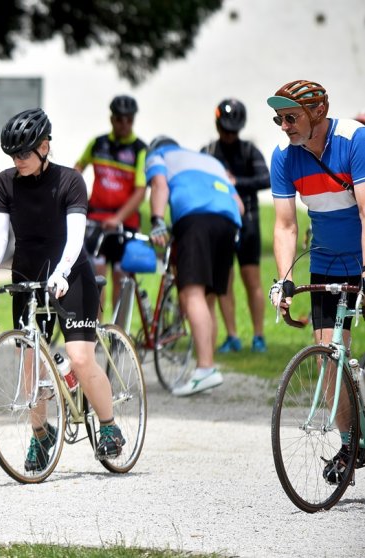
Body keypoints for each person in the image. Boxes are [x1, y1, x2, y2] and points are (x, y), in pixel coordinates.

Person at [0, 108, 125, 469]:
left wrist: (62, 272)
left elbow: (75, 237)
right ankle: (41, 437)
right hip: (27, 274)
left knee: (81, 357)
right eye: (12, 154)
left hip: (71, 274)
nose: (17, 161)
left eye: (24, 153)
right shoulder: (5, 182)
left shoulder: (70, 181)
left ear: (44, 147)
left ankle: (108, 427)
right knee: (29, 363)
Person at [267, 79, 365, 483]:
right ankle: (351, 444)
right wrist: (284, 280)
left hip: (361, 255)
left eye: (291, 117)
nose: (284, 125)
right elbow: (286, 226)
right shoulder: (283, 157)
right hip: (326, 261)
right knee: (329, 356)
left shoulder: (354, 140)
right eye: (279, 118)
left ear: (317, 114)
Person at [145, 136, 243, 397]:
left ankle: (205, 369)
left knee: (191, 293)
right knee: (208, 298)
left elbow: (159, 184)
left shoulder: (158, 156)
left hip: (195, 219)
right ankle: (206, 368)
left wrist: (156, 221)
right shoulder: (211, 162)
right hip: (230, 222)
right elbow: (241, 206)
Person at [201, 98, 271, 354]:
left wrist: (235, 181)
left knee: (252, 280)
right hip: (220, 225)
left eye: (233, 131)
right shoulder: (207, 152)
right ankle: (232, 336)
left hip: (248, 223)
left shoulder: (249, 150)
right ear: (218, 125)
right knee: (224, 282)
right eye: (225, 130)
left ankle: (259, 336)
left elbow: (266, 179)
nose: (229, 135)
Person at [74, 94, 148, 315]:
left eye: (129, 120)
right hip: (96, 220)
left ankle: (117, 332)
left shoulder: (139, 149)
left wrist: (118, 218)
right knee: (96, 277)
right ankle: (94, 330)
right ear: (112, 119)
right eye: (119, 119)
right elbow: (77, 170)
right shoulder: (97, 144)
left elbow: (141, 191)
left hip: (124, 223)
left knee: (120, 278)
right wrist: (77, 199)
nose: (124, 124)